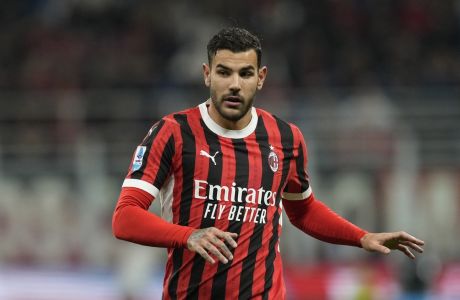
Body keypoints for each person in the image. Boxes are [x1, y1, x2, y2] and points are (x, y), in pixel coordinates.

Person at [112, 27, 424, 299]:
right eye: (224, 72)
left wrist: (361, 237)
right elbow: (125, 217)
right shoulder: (173, 133)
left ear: (260, 78)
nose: (235, 84)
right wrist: (188, 236)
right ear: (207, 73)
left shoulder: (286, 138)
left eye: (245, 73)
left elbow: (303, 210)